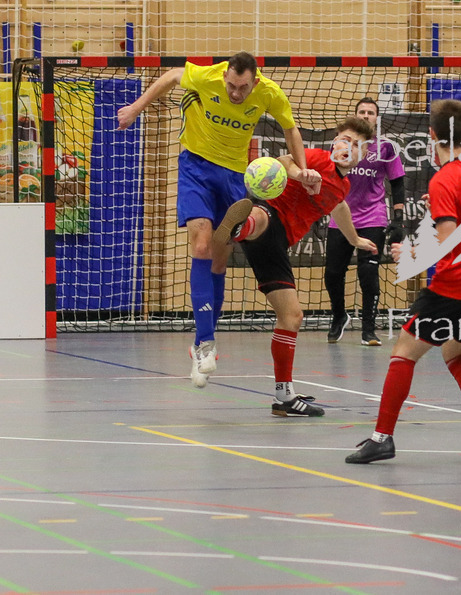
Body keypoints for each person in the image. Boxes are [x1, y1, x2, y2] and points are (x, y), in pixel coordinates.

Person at [117, 52, 318, 388]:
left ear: (254, 81)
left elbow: (290, 128)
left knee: (220, 258)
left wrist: (303, 167)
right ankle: (205, 344)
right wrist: (137, 108)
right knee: (202, 245)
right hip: (195, 166)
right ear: (225, 75)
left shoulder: (269, 92)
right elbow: (172, 76)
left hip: (235, 175)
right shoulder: (207, 76)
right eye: (231, 85)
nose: (235, 93)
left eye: (242, 88)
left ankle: (203, 341)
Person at [346, 99, 461, 464]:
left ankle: (382, 437)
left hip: (456, 288)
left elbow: (450, 240)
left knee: (403, 352)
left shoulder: (443, 180)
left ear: (432, 134)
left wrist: (413, 254)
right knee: (455, 353)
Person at [213, 117, 378, 415]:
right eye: (344, 139)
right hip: (270, 214)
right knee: (262, 217)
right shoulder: (315, 159)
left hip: (277, 246)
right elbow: (283, 160)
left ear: (363, 154)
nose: (347, 147)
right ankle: (242, 226)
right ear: (335, 141)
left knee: (292, 317)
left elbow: (339, 208)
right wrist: (302, 174)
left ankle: (284, 397)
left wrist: (355, 240)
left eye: (356, 145)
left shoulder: (343, 186)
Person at [323, 97, 406, 347]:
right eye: (362, 111)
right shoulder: (340, 145)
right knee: (333, 273)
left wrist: (399, 217)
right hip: (341, 215)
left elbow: (398, 182)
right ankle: (339, 316)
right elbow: (328, 177)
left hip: (373, 216)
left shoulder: (386, 148)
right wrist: (320, 209)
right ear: (355, 115)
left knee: (368, 271)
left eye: (371, 112)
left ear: (376, 118)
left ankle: (368, 329)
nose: (366, 115)